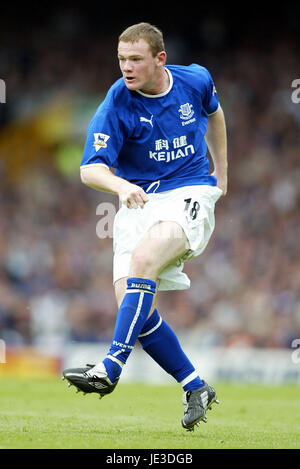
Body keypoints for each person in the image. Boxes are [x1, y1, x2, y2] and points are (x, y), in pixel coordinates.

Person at [63, 22, 227, 431]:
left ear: (160, 59)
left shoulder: (195, 80)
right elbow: (89, 169)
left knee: (144, 260)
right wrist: (120, 185)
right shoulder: (117, 101)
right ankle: (195, 385)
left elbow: (215, 113)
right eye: (121, 59)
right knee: (134, 307)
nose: (126, 67)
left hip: (189, 193)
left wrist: (222, 174)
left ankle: (110, 367)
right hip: (137, 202)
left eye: (135, 59)